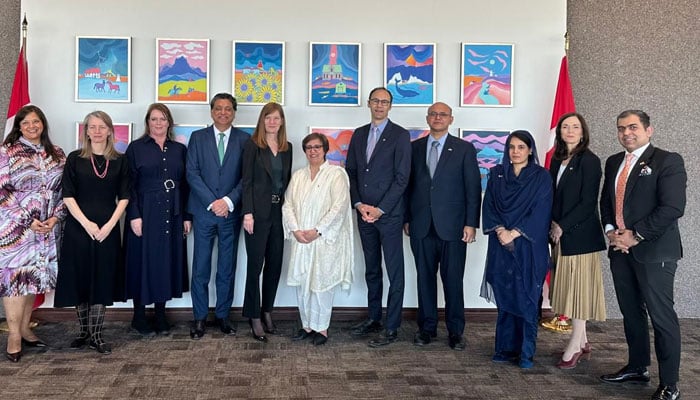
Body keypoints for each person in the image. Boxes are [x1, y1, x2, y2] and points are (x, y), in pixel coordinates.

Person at [599, 110, 686, 400]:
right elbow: (607, 202)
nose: (627, 133)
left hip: (654, 251)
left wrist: (635, 235)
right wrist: (612, 231)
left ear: (649, 130)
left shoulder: (667, 161)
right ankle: (638, 366)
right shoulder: (613, 162)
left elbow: (672, 208)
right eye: (621, 128)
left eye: (633, 127)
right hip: (620, 251)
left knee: (662, 318)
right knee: (631, 314)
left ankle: (670, 384)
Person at [403, 102, 481, 351]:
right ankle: (426, 329)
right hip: (421, 225)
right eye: (434, 114)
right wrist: (406, 218)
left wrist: (471, 223)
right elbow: (407, 187)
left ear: (451, 119)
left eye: (443, 114)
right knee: (424, 279)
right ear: (427, 118)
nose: (438, 118)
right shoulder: (413, 148)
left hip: (454, 227)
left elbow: (473, 189)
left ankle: (456, 332)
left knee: (453, 280)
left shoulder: (464, 149)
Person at [54, 111, 130, 355]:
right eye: (92, 126)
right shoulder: (75, 159)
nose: (97, 131)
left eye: (102, 126)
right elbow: (68, 195)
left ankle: (97, 335)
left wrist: (109, 226)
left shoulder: (120, 160)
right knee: (81, 278)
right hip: (79, 227)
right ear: (86, 131)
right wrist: (87, 224)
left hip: (107, 228)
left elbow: (125, 196)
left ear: (110, 130)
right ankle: (83, 331)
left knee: (102, 279)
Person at [345, 87, 411, 347]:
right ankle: (374, 318)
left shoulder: (400, 135)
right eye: (376, 101)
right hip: (364, 214)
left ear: (390, 106)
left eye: (385, 102)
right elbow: (351, 172)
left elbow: (402, 177)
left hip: (389, 215)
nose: (380, 105)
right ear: (369, 103)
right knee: (372, 270)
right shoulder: (360, 134)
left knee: (395, 272)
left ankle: (392, 326)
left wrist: (380, 209)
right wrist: (360, 205)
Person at [481, 130, 552, 369]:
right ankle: (504, 349)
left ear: (530, 150)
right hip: (501, 245)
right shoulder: (498, 174)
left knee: (527, 297)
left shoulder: (541, 177)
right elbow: (489, 205)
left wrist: (515, 232)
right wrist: (501, 230)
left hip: (529, 245)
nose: (516, 151)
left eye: (521, 147)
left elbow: (542, 211)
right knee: (506, 295)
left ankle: (525, 353)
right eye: (511, 147)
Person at [0, 105, 66, 362]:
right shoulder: (7, 152)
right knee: (16, 282)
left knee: (33, 279)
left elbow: (64, 191)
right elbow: (3, 191)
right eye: (26, 122)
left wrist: (55, 217)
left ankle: (26, 329)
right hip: (17, 230)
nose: (31, 126)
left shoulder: (57, 153)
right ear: (18, 126)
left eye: (36, 121)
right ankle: (13, 336)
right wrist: (28, 220)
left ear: (43, 124)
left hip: (47, 230)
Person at [124, 103, 191, 337]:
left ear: (169, 122)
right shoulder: (135, 148)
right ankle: (139, 315)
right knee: (142, 261)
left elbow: (185, 184)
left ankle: (161, 315)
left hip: (172, 211)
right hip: (145, 211)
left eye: (163, 119)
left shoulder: (179, 150)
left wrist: (186, 216)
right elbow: (128, 185)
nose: (159, 123)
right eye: (154, 119)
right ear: (147, 122)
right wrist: (134, 215)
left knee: (166, 261)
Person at [186, 93, 249, 339]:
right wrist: (213, 202)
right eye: (218, 109)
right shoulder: (197, 138)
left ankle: (223, 315)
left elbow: (247, 177)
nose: (223, 113)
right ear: (211, 111)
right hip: (204, 212)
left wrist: (228, 201)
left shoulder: (245, 140)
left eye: (228, 109)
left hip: (230, 214)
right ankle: (199, 318)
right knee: (200, 266)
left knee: (226, 267)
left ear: (234, 112)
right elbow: (192, 173)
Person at [282, 133, 354, 346]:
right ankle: (306, 325)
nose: (313, 151)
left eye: (317, 147)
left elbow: (339, 207)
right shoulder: (298, 176)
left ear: (325, 150)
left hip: (323, 240)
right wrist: (296, 230)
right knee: (303, 283)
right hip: (301, 238)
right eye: (309, 147)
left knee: (321, 284)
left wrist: (318, 231)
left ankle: (321, 329)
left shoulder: (336, 174)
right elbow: (288, 205)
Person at [548, 112, 607, 369]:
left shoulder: (589, 161)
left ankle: (574, 344)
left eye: (575, 127)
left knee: (579, 292)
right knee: (567, 288)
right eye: (565, 127)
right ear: (560, 132)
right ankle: (583, 342)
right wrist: (552, 224)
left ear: (583, 132)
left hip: (580, 236)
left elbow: (587, 203)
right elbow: (552, 196)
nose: (570, 130)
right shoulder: (557, 159)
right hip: (559, 234)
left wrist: (562, 226)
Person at [241, 102, 292, 342]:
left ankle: (267, 311)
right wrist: (247, 213)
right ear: (262, 121)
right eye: (268, 118)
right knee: (255, 267)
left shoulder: (287, 148)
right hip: (257, 215)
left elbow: (288, 183)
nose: (272, 122)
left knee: (274, 265)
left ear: (282, 121)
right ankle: (253, 316)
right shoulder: (253, 146)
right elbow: (247, 181)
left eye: (276, 118)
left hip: (278, 213)